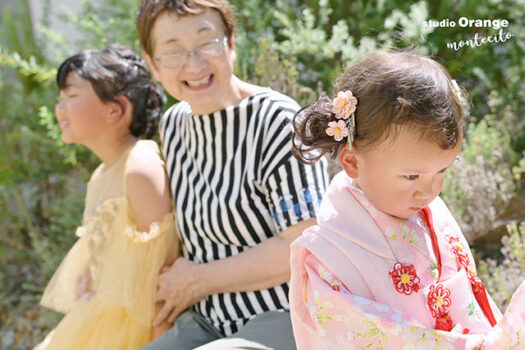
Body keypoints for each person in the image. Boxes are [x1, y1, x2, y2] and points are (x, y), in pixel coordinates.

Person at [289, 50, 525, 349]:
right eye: (412, 177)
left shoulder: (431, 211)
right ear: (352, 162)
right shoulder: (329, 254)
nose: (429, 191)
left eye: (442, 170)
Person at [136, 0, 329, 349]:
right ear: (152, 63)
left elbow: (304, 245)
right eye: (173, 51)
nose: (194, 64)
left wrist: (199, 280)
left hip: (283, 315)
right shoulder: (174, 125)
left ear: (231, 43)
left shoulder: (278, 122)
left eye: (206, 42)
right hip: (206, 322)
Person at [34, 44, 178, 349]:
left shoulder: (140, 168)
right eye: (61, 98)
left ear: (116, 109)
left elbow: (160, 282)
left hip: (134, 331)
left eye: (71, 96)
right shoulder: (101, 173)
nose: (60, 108)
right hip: (98, 320)